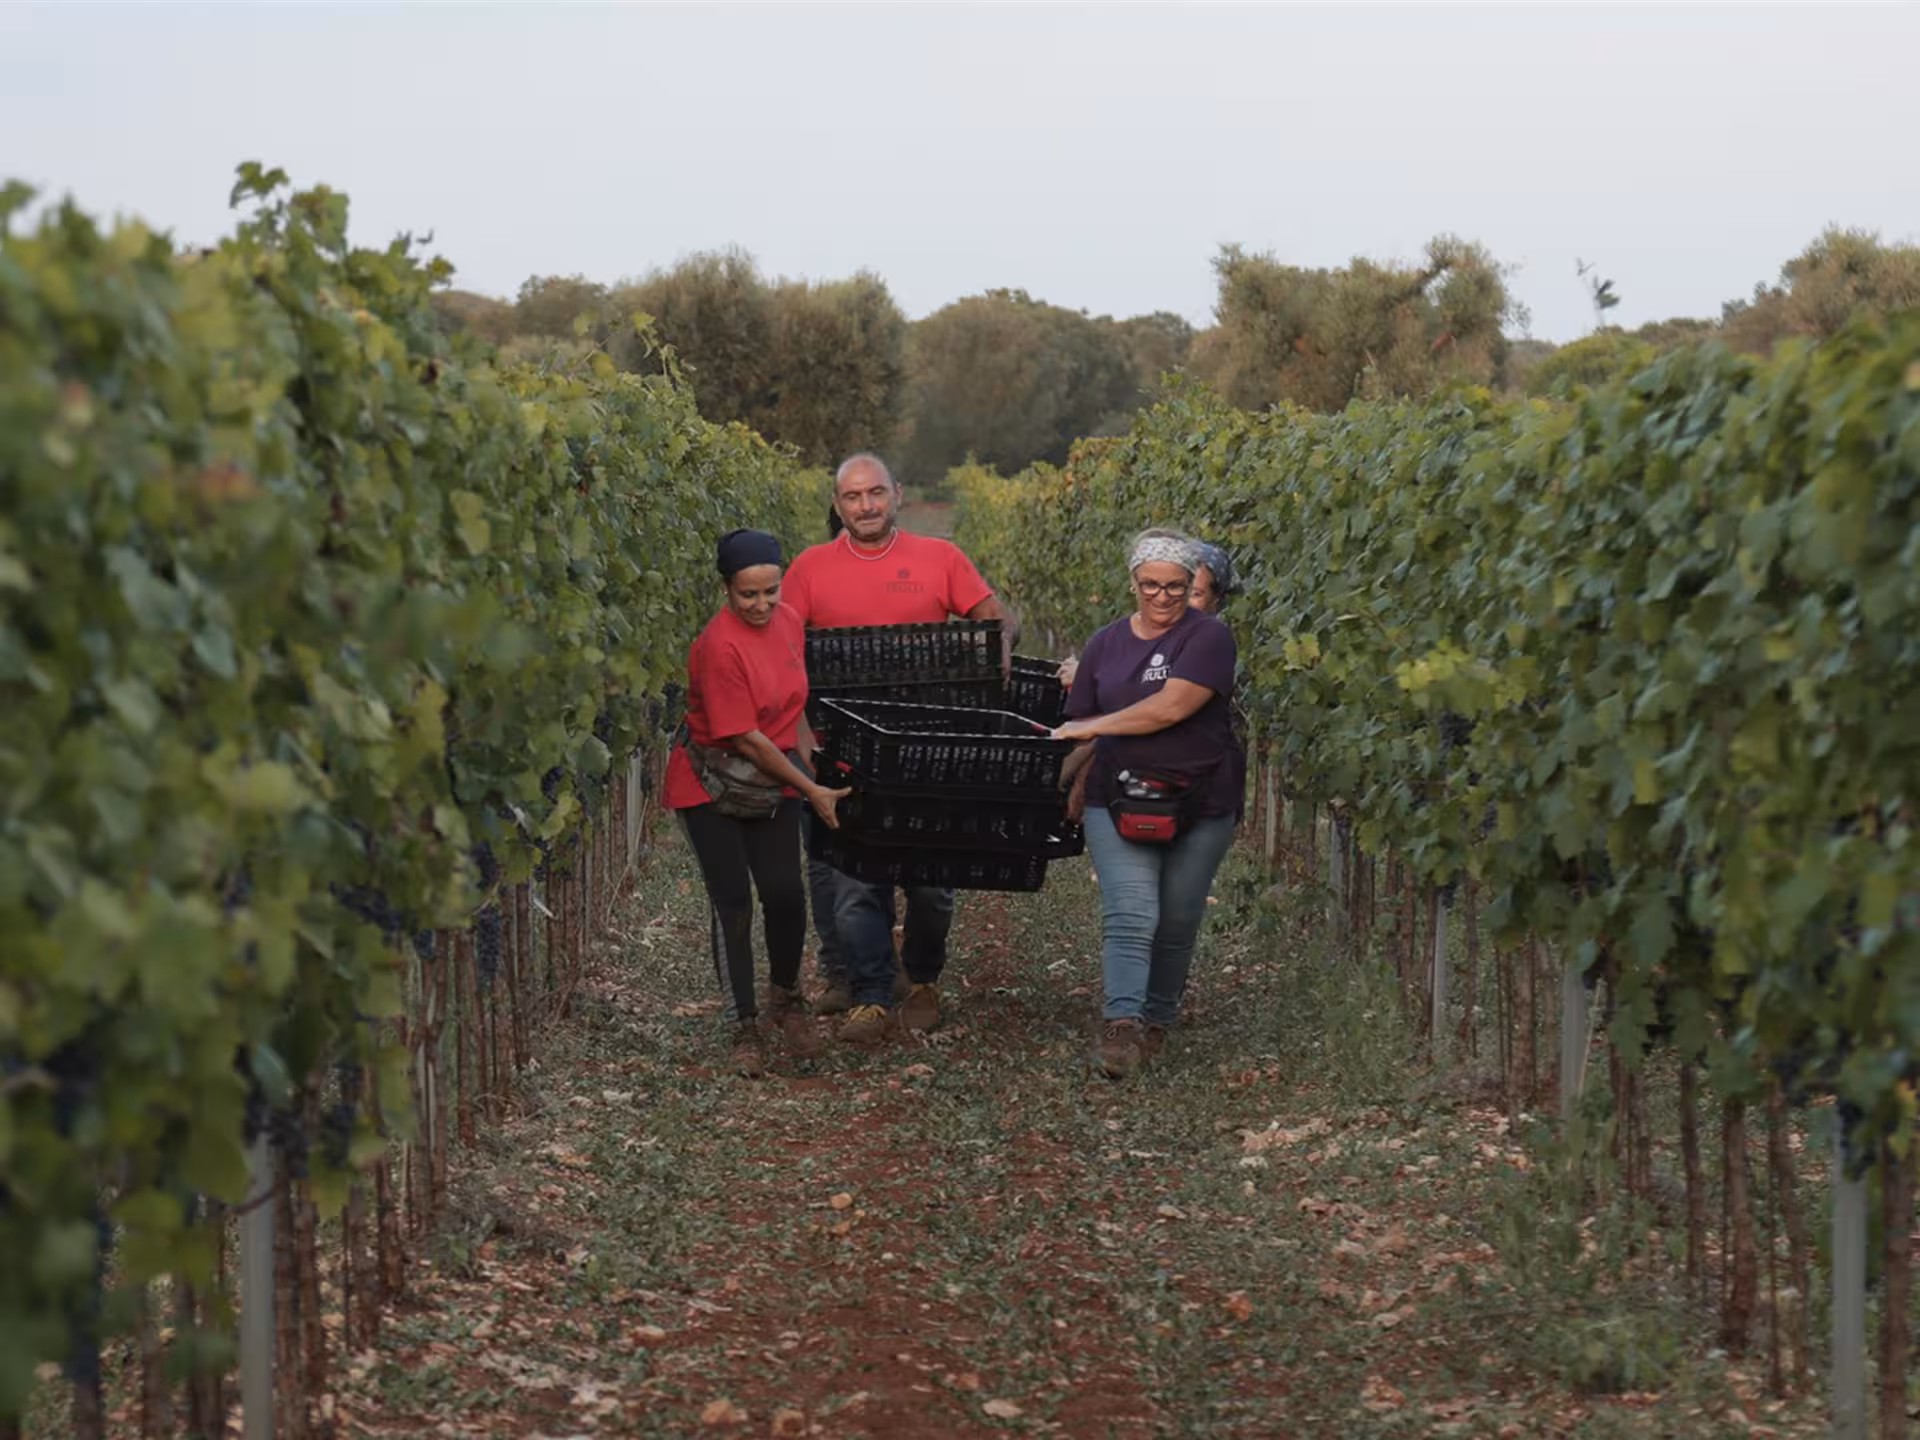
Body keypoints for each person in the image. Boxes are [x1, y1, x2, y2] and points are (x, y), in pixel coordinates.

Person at [783, 453, 1016, 1043]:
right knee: (857, 876)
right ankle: (869, 994)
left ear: (898, 495)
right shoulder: (809, 570)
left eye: (876, 494)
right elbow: (781, 653)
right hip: (845, 747)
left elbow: (995, 619)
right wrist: (802, 742)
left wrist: (999, 646)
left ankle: (922, 978)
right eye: (853, 497)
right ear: (837, 505)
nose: (866, 506)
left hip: (926, 747)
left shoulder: (940, 558)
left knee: (931, 882)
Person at [1051, 530, 1244, 1079]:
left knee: (1179, 916)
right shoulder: (1104, 644)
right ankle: (1123, 1025)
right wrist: (1059, 781)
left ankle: (1158, 1017)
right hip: (1118, 796)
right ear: (1132, 582)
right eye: (1150, 585)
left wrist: (1092, 726)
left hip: (1201, 799)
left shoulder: (1210, 638)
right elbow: (1079, 732)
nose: (1162, 597)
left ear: (1192, 586)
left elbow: (1169, 708)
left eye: (1176, 587)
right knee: (1132, 914)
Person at [663, 529, 851, 1077]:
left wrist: (812, 765)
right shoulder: (717, 646)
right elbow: (744, 737)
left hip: (775, 776)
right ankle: (742, 1024)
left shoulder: (790, 623)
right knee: (734, 905)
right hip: (713, 785)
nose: (762, 604)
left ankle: (785, 997)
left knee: (786, 893)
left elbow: (793, 706)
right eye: (748, 595)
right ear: (726, 590)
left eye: (770, 591)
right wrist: (811, 789)